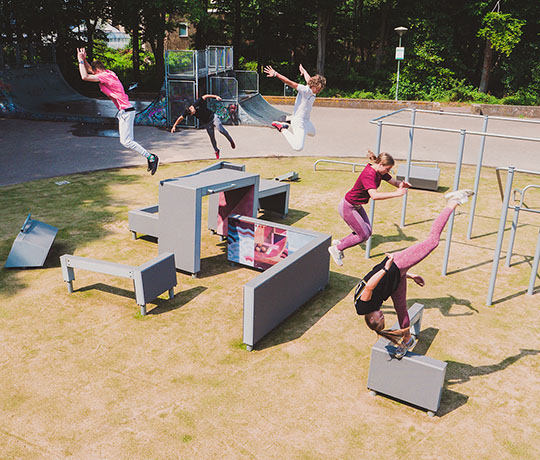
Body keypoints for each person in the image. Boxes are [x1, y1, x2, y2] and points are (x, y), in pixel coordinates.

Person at [354, 189, 474, 358]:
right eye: (383, 318)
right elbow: (378, 284)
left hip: (394, 265)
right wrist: (409, 276)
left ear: (371, 320)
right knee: (401, 309)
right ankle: (407, 338)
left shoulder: (363, 307)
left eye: (380, 318)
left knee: (432, 241)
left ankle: (453, 202)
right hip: (396, 276)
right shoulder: (371, 307)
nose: (382, 315)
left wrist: (386, 267)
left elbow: (370, 285)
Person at [76, 48, 159, 175]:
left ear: (97, 71)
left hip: (126, 111)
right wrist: (84, 59)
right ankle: (150, 157)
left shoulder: (104, 77)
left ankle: (151, 157)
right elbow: (89, 70)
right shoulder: (109, 73)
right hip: (125, 111)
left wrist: (80, 61)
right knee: (125, 141)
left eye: (95, 72)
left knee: (127, 141)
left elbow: (85, 76)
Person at [328, 151, 411, 266]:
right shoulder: (369, 174)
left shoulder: (379, 172)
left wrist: (402, 185)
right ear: (381, 164)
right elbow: (374, 196)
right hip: (348, 207)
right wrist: (396, 194)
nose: (388, 171)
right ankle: (337, 249)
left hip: (356, 206)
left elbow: (394, 182)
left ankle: (340, 242)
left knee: (368, 232)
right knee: (363, 235)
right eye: (388, 169)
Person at [263, 64, 326, 151]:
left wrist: (304, 72)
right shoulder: (304, 90)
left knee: (313, 133)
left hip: (306, 121)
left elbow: (309, 79)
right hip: (299, 122)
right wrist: (275, 74)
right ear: (314, 86)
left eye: (320, 89)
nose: (319, 91)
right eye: (318, 89)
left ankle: (289, 119)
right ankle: (281, 128)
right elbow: (289, 82)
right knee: (298, 147)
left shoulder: (313, 90)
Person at [170, 95, 236, 159]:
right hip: (206, 123)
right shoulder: (187, 112)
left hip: (213, 117)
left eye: (193, 112)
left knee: (221, 130)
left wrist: (216, 96)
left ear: (192, 108)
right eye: (192, 114)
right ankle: (216, 150)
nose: (194, 113)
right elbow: (180, 118)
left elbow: (205, 96)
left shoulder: (197, 102)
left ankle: (231, 141)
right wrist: (174, 126)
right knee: (212, 137)